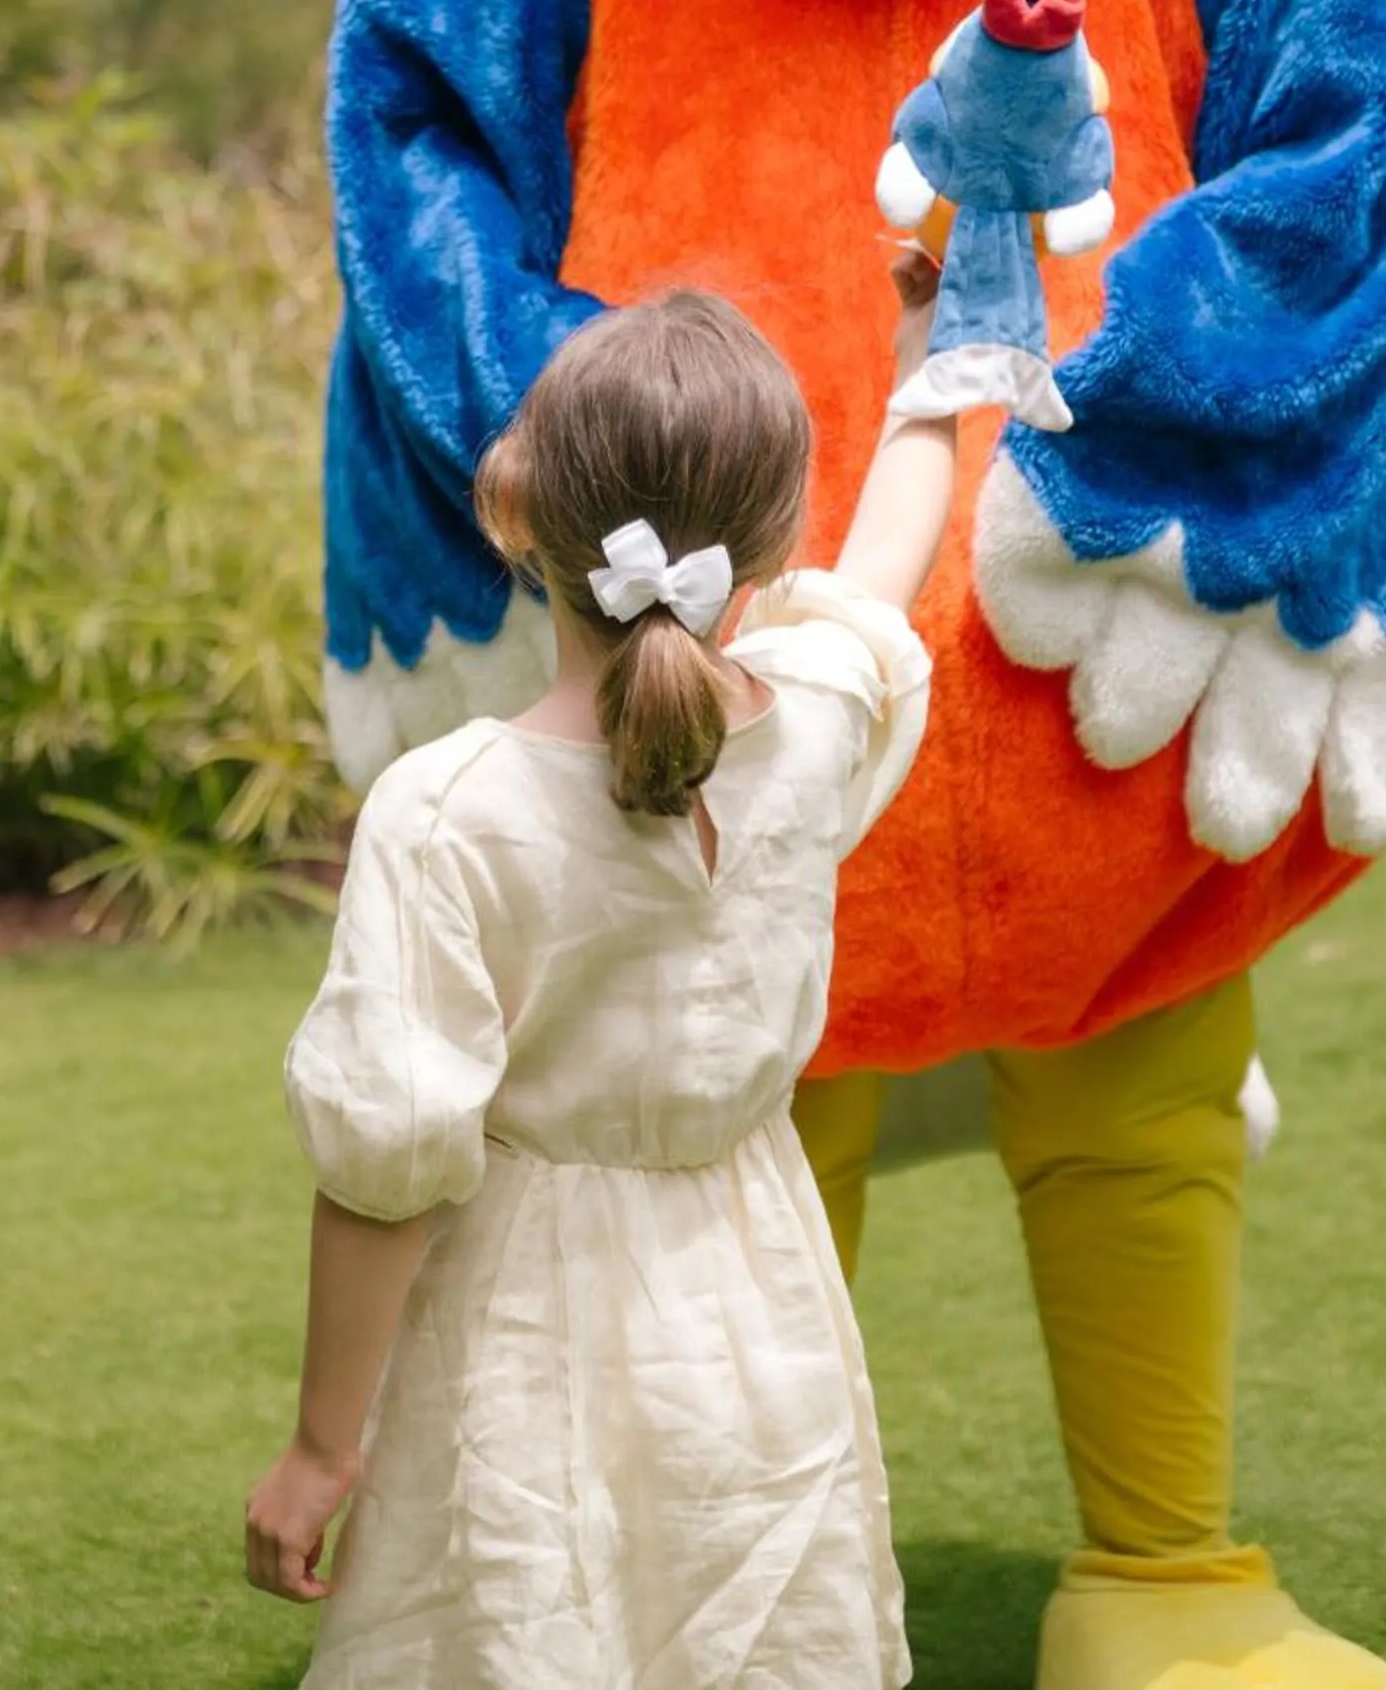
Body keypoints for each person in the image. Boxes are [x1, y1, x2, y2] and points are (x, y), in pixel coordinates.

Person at [244, 270, 956, 1688]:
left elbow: (386, 1170)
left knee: (535, 1609)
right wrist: (934, 358)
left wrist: (325, 1446)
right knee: (746, 1610)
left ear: (516, 507)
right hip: (759, 1290)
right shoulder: (811, 730)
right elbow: (888, 573)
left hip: (527, 1312)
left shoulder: (445, 815)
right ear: (768, 547)